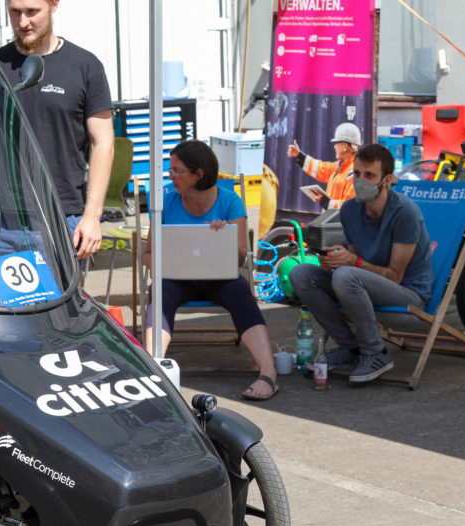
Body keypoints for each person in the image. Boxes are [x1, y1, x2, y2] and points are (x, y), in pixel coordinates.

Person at [0, 0, 112, 260]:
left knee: (62, 302)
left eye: (32, 12)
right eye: (15, 12)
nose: (23, 22)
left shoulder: (85, 66)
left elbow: (103, 143)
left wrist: (92, 216)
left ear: (54, 4)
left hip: (60, 218)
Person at [144, 140, 279, 401]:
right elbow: (148, 254)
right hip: (176, 278)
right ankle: (155, 370)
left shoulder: (229, 201)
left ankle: (268, 373)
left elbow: (241, 256)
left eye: (176, 170)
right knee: (159, 292)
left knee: (240, 290)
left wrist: (222, 237)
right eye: (170, 170)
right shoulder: (165, 202)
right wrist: (166, 263)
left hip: (219, 277)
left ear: (199, 174)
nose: (170, 176)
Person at [290, 143, 432, 384]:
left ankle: (376, 352)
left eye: (369, 175)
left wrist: (350, 263)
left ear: (386, 179)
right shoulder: (349, 210)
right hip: (367, 287)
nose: (360, 181)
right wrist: (334, 261)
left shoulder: (405, 213)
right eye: (356, 174)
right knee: (301, 274)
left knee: (346, 276)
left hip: (409, 295)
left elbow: (395, 276)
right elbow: (356, 260)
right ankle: (351, 348)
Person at [287, 122, 361, 209]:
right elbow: (320, 168)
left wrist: (325, 202)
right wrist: (299, 155)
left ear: (345, 146)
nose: (334, 147)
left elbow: (351, 207)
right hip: (332, 221)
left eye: (336, 143)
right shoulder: (339, 167)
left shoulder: (355, 174)